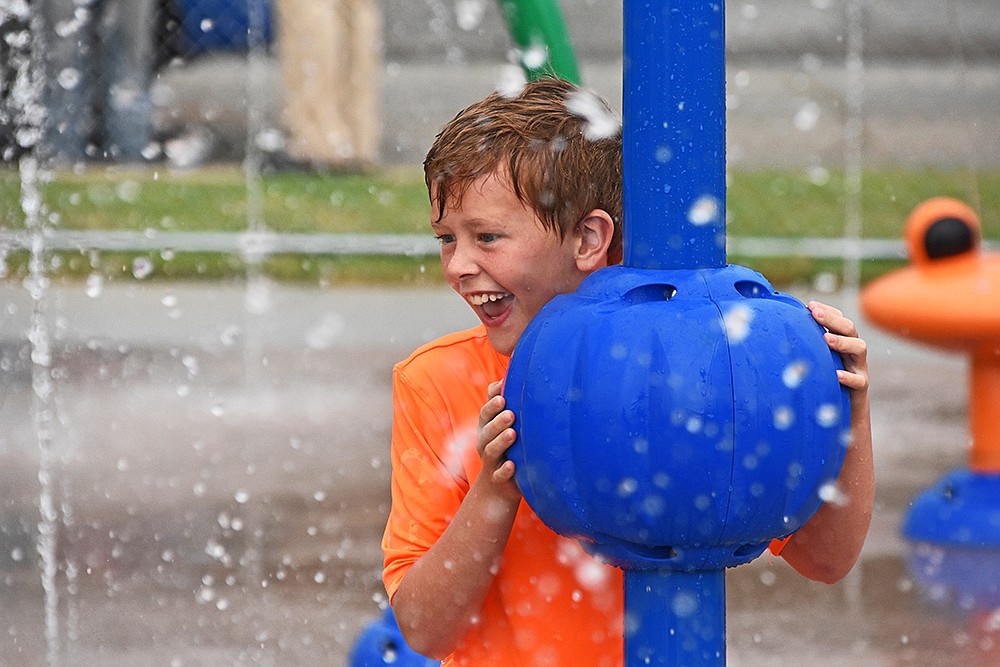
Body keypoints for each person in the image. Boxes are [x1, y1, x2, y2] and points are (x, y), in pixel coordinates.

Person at [381, 76, 875, 666]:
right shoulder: (435, 382)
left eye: (487, 237)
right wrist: (494, 489)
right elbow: (423, 630)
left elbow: (827, 560)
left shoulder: (692, 371)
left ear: (589, 238)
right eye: (445, 239)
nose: (459, 265)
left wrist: (850, 408)